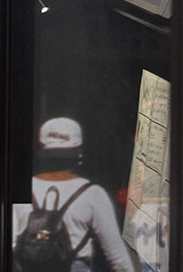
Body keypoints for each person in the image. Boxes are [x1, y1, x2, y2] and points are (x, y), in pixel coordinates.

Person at [12, 117, 136, 272]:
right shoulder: (93, 194)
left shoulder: (21, 188)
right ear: (79, 153)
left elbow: (10, 246)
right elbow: (119, 261)